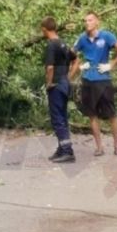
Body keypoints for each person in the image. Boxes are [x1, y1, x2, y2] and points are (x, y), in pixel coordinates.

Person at [69, 12, 117, 157]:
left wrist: (111, 65)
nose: (87, 23)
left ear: (97, 22)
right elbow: (70, 53)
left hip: (103, 80)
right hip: (88, 80)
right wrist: (79, 65)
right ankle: (99, 148)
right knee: (92, 114)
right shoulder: (82, 38)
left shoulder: (106, 36)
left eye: (90, 20)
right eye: (85, 21)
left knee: (112, 114)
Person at [40, 16, 77, 163]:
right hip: (64, 84)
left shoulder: (51, 45)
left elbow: (50, 67)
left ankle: (67, 152)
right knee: (62, 117)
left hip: (56, 85)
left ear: (44, 29)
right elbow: (76, 60)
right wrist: (68, 77)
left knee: (57, 119)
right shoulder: (63, 44)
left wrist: (49, 83)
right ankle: (62, 148)